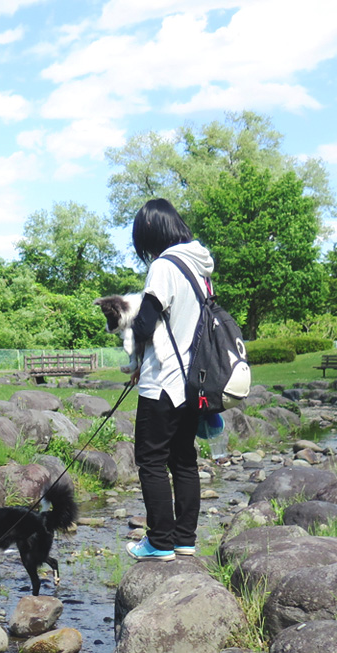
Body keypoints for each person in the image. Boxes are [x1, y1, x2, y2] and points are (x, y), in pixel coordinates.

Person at [124, 199, 214, 562]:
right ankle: (184, 540)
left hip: (162, 381)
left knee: (150, 460)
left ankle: (159, 541)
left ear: (152, 233)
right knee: (183, 459)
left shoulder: (164, 265)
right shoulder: (200, 267)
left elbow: (145, 323)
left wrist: (128, 322)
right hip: (194, 381)